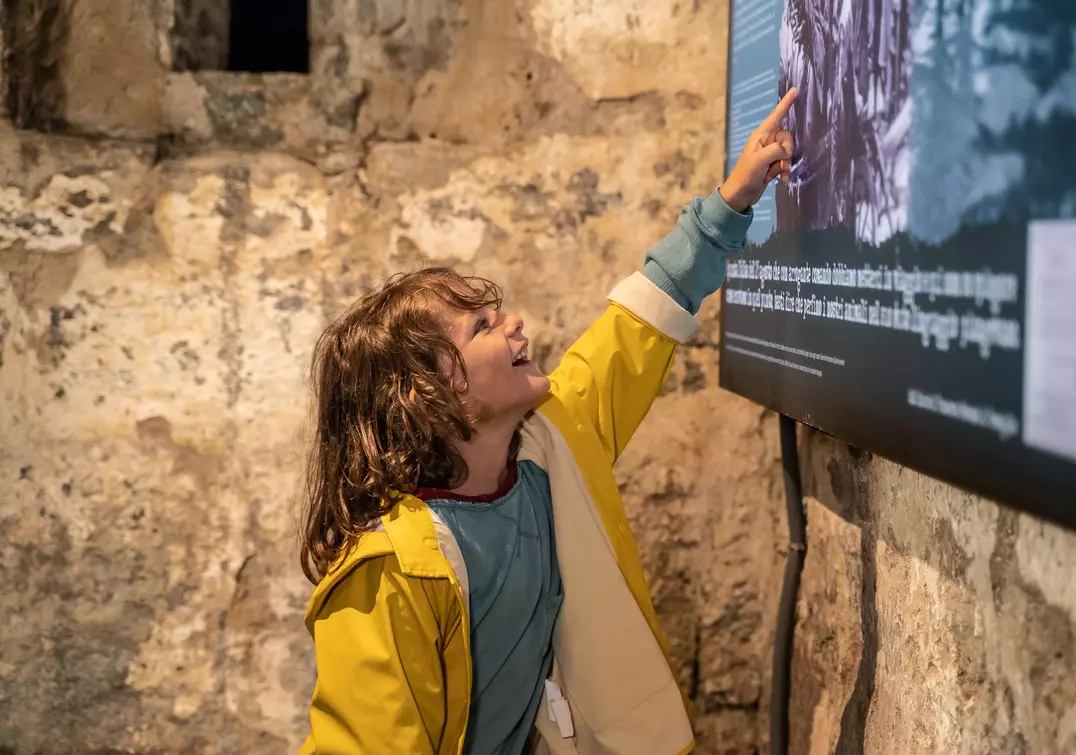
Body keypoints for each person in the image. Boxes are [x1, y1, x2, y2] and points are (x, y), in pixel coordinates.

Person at [297, 89, 798, 755]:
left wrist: (730, 201)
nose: (513, 324)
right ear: (424, 395)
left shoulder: (545, 442)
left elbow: (634, 328)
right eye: (480, 326)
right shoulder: (386, 573)